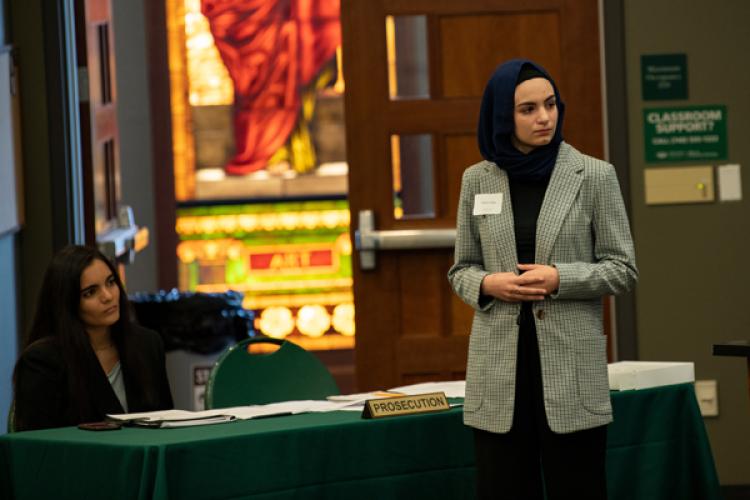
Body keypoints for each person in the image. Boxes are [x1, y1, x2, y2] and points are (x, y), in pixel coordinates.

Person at [448, 59, 638, 499]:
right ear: (502, 117)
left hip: (570, 366)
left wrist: (559, 278)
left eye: (550, 105)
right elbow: (461, 270)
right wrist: (487, 285)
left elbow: (623, 268)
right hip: (499, 370)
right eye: (528, 109)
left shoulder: (593, 175)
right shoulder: (478, 180)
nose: (544, 118)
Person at [12, 245, 173, 431]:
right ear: (67, 303)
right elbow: (37, 448)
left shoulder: (147, 344)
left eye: (111, 282)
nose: (107, 296)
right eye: (90, 292)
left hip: (144, 459)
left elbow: (166, 426)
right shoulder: (42, 362)